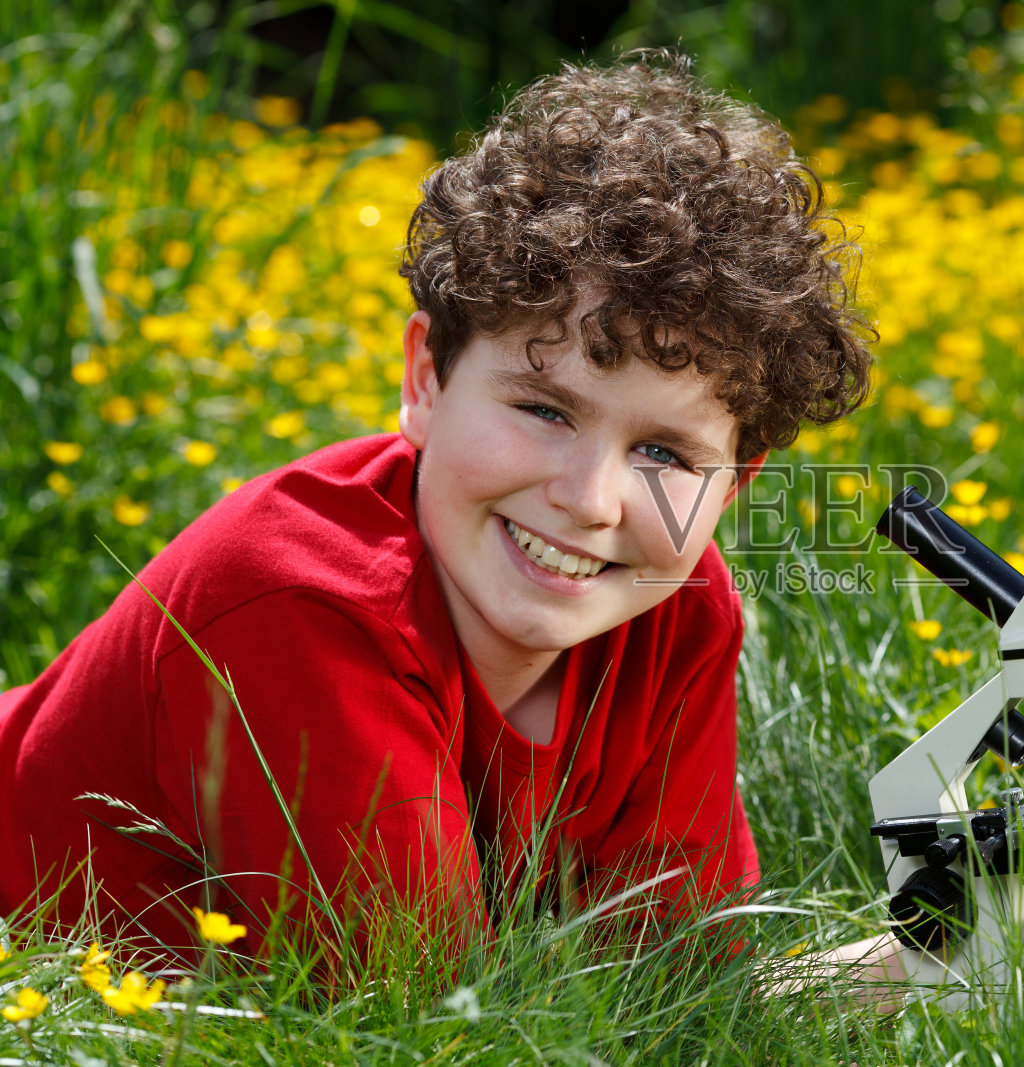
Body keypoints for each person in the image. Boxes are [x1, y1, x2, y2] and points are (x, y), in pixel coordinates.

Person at [0, 50, 872, 963]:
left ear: (732, 488)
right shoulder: (299, 600)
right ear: (425, 377)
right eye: (544, 408)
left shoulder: (679, 610)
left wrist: (914, 971)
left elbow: (676, 983)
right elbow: (433, 1027)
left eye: (663, 452)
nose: (588, 500)